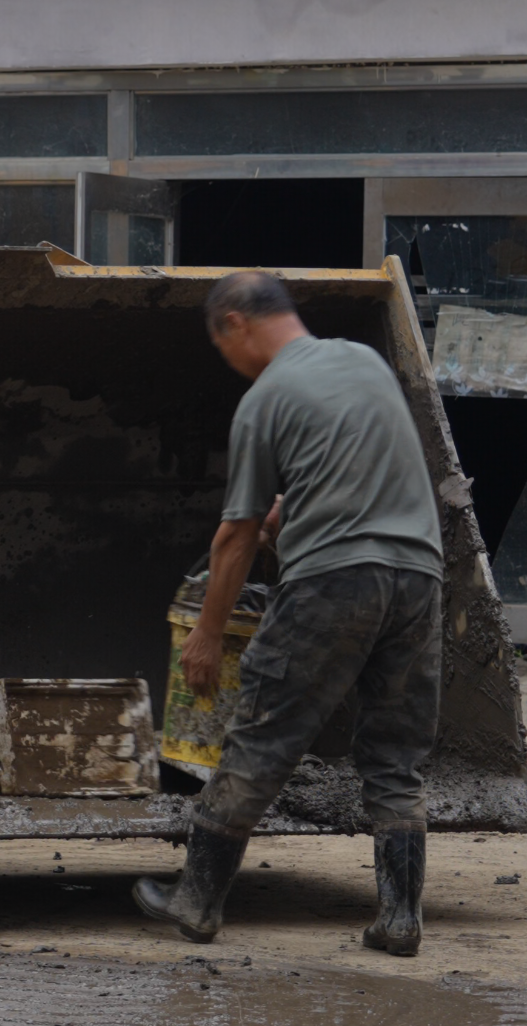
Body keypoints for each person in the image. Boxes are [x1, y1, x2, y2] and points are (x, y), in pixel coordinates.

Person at [134, 271, 444, 955]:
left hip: (333, 582)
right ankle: (400, 917)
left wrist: (208, 636)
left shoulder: (264, 399)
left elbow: (236, 535)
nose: (229, 360)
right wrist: (292, 510)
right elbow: (366, 464)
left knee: (261, 738)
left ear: (234, 325)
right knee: (396, 757)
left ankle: (196, 900)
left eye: (222, 347)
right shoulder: (364, 363)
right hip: (419, 577)